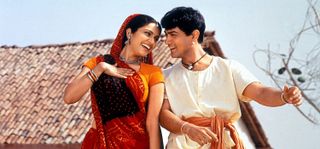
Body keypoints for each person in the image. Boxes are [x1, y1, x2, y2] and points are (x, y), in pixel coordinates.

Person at [159, 7, 303, 149]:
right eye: (166, 35)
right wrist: (187, 128)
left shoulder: (228, 68)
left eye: (173, 34)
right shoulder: (165, 76)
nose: (167, 41)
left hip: (226, 143)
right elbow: (163, 114)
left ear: (194, 35)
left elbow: (260, 92)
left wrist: (284, 96)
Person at [63, 14, 164, 149]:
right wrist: (101, 69)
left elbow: (152, 123)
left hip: (137, 145)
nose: (152, 41)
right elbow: (69, 97)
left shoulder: (153, 73)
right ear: (129, 33)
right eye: (147, 34)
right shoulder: (98, 63)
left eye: (156, 38)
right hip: (100, 143)